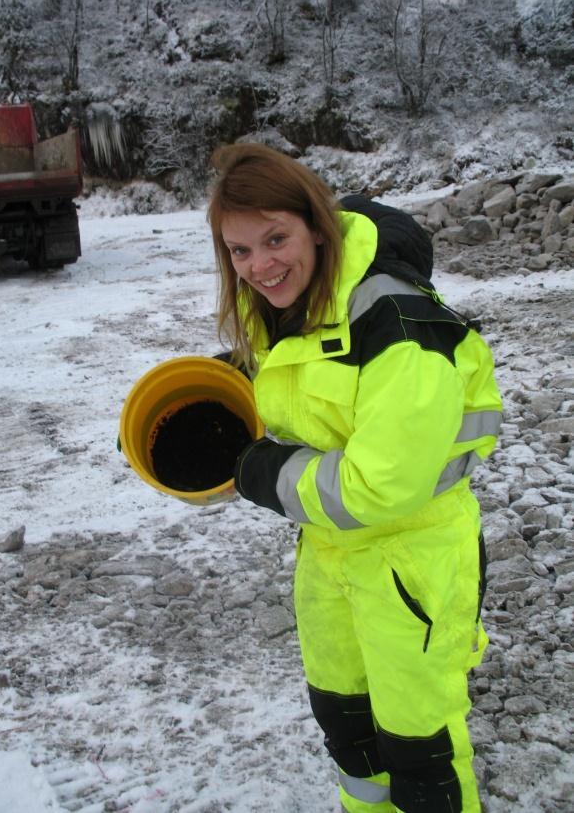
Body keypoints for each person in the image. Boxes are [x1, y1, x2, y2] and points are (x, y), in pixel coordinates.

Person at [206, 143, 503, 813]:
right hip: (330, 558)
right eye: (239, 250)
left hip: (410, 564)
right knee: (350, 733)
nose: (259, 266)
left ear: (316, 223)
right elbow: (290, 380)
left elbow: (378, 486)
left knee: (418, 754)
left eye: (275, 238)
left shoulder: (398, 326)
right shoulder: (289, 307)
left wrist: (257, 472)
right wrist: (199, 399)